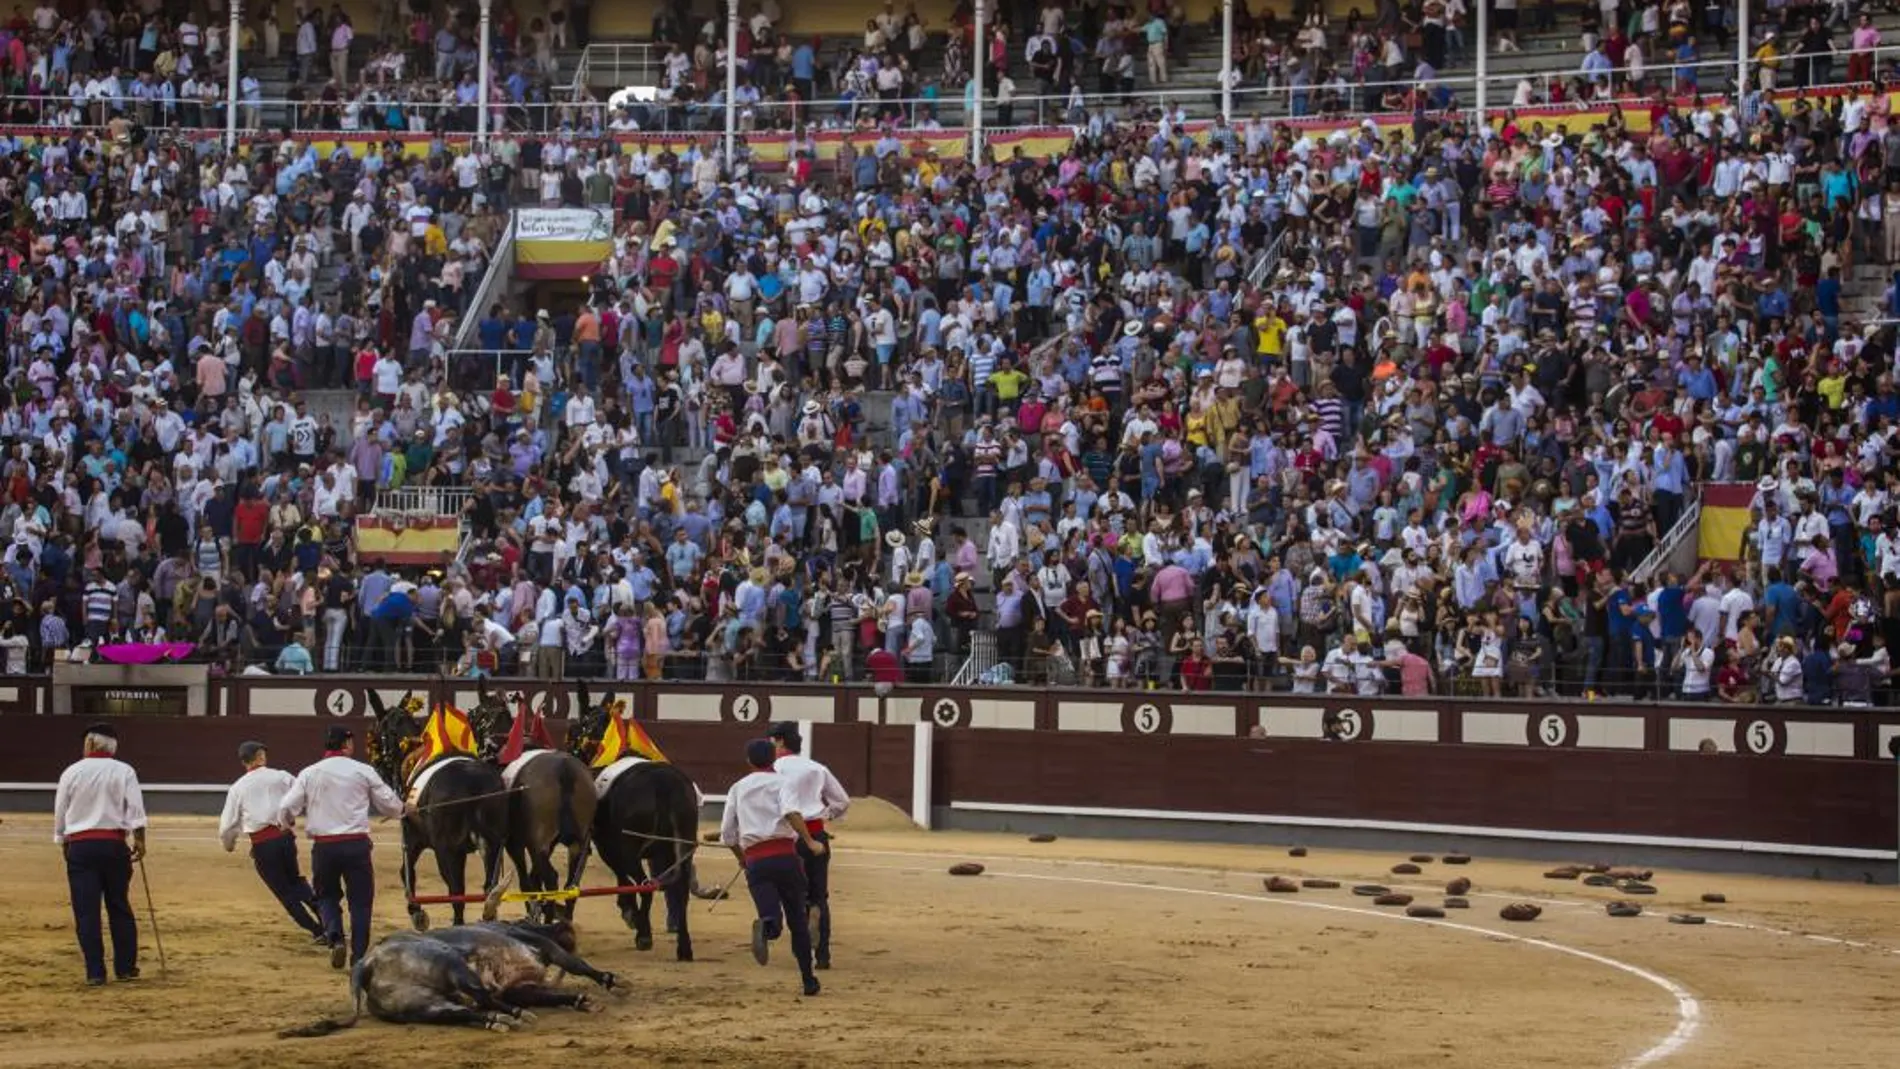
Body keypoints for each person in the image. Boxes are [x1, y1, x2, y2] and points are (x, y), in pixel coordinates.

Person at [277, 725, 406, 969]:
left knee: (326, 896)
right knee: (360, 902)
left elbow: (286, 807)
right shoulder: (362, 770)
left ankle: (335, 937)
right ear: (346, 744)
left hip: (324, 848)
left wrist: (286, 823)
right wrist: (402, 810)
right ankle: (358, 955)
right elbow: (388, 803)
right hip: (356, 845)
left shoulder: (309, 773)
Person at [719, 738, 827, 997]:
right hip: (785, 856)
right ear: (774, 760)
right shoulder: (783, 783)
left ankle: (767, 927)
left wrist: (742, 858)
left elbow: (727, 834)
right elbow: (791, 812)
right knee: (798, 923)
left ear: (748, 761)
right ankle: (808, 979)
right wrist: (810, 842)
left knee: (772, 917)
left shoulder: (738, 788)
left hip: (756, 860)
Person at [52, 722, 147, 986]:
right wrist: (139, 839)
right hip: (114, 845)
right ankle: (126, 968)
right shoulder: (124, 770)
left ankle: (95, 972)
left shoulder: (72, 772)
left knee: (86, 911)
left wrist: (63, 841)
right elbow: (135, 809)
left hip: (81, 846)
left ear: (92, 744)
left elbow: (61, 811)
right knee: (119, 905)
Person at [218, 741, 324, 942]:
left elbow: (227, 827)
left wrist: (229, 845)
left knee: (284, 892)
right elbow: (304, 794)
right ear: (260, 757)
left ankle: (317, 931)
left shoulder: (238, 787)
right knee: (296, 881)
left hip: (263, 845)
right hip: (285, 839)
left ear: (243, 762)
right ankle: (329, 923)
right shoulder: (281, 776)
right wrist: (294, 815)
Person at [766, 722, 851, 970]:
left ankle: (797, 945)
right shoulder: (817, 768)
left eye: (772, 741)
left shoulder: (772, 770)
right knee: (819, 896)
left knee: (789, 895)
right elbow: (842, 802)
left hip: (783, 839)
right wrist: (826, 815)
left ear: (780, 742)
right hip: (815, 834)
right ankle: (823, 955)